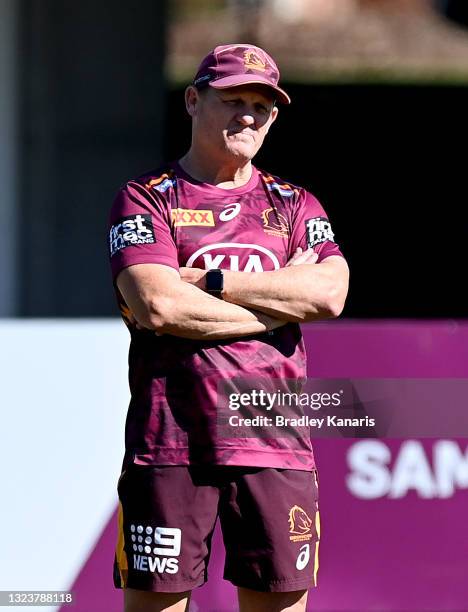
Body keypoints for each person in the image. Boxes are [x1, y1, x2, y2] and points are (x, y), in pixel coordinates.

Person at [108, 43, 349, 612]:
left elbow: (331, 293)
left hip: (275, 445)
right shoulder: (146, 198)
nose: (247, 116)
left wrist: (213, 283)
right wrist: (279, 302)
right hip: (169, 442)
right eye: (232, 99)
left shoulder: (293, 204)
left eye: (261, 107)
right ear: (193, 101)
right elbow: (160, 308)